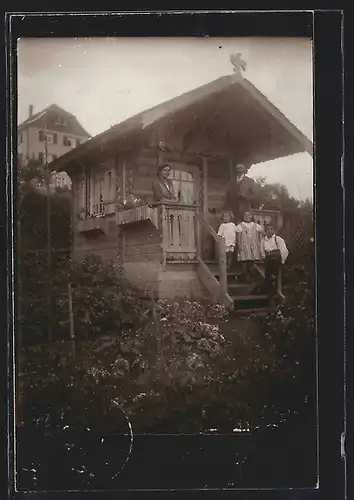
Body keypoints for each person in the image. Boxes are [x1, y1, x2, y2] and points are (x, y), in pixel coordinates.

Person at [260, 223, 289, 303]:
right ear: (265, 231)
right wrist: (264, 257)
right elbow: (262, 250)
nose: (269, 231)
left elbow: (284, 250)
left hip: (276, 259)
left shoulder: (277, 239)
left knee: (274, 277)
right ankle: (270, 295)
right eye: (267, 229)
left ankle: (274, 296)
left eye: (271, 229)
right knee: (268, 277)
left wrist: (282, 261)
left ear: (274, 230)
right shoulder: (263, 240)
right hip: (268, 259)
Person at [235, 211, 264, 281]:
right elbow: (238, 237)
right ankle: (245, 276)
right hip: (244, 245)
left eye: (249, 215)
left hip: (254, 246)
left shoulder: (256, 226)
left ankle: (251, 276)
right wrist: (239, 245)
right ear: (243, 216)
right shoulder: (240, 226)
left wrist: (261, 244)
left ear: (252, 216)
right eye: (246, 215)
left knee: (252, 261)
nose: (247, 216)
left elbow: (263, 235)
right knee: (244, 261)